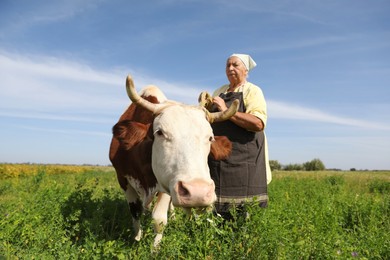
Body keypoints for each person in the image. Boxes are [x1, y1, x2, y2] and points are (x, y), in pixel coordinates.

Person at [207, 53, 271, 220]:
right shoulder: (219, 91)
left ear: (246, 70)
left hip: (245, 159)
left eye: (235, 65)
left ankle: (242, 241)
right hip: (219, 158)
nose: (230, 69)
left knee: (243, 214)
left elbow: (258, 123)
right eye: (228, 66)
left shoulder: (253, 91)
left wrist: (226, 111)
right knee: (217, 212)